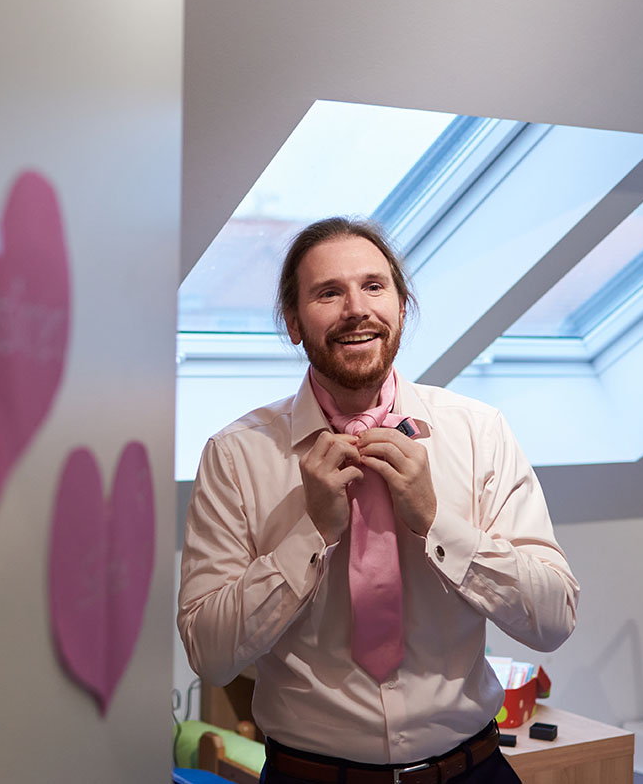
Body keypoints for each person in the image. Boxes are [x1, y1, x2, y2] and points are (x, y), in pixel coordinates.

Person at [177, 217, 579, 784]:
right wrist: (310, 534)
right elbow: (209, 654)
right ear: (293, 323)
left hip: (472, 772)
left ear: (401, 309)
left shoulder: (479, 433)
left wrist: (438, 522)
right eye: (327, 292)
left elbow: (554, 617)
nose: (355, 309)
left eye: (373, 286)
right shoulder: (236, 457)